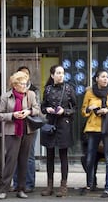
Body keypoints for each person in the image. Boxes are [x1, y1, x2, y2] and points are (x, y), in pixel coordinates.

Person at [0, 71, 40, 200]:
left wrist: (29, 111)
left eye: (26, 83)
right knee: (11, 160)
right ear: (15, 85)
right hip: (12, 131)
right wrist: (12, 115)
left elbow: (38, 110)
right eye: (22, 84)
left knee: (24, 161)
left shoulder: (30, 95)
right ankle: (4, 189)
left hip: (27, 131)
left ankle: (21, 189)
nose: (24, 86)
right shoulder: (6, 96)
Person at [81, 69, 108, 198]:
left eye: (107, 77)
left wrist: (107, 110)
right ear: (97, 79)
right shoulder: (89, 92)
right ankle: (90, 184)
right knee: (90, 157)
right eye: (103, 77)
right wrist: (90, 108)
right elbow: (83, 112)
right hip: (93, 128)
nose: (105, 79)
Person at [40, 64, 77, 197]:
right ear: (52, 75)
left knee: (63, 156)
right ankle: (49, 185)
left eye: (62, 73)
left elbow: (75, 108)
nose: (61, 75)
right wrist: (47, 109)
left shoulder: (68, 89)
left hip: (64, 124)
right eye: (58, 73)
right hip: (50, 123)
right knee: (49, 155)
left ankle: (63, 185)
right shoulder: (48, 89)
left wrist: (64, 111)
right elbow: (43, 106)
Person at [12, 66, 40, 193]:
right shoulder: (11, 92)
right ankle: (16, 183)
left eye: (26, 74)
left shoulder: (33, 91)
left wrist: (28, 111)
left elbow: (37, 109)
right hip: (15, 127)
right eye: (21, 74)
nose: (24, 76)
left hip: (29, 126)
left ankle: (29, 183)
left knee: (28, 156)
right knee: (15, 155)